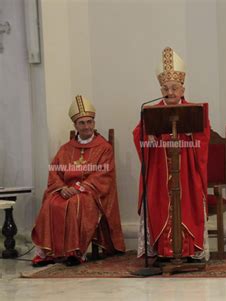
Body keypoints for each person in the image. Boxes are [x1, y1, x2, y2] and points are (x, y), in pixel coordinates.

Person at [133, 47, 210, 264]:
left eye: (175, 87)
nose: (170, 92)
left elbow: (203, 136)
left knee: (187, 203)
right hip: (159, 171)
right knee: (158, 202)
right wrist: (146, 139)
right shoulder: (150, 111)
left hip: (186, 169)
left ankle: (188, 250)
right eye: (166, 88)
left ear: (183, 88)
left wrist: (190, 133)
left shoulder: (193, 110)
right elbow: (138, 132)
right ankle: (163, 251)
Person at [31, 95, 125, 267]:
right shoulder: (66, 149)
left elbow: (104, 175)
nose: (86, 126)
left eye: (89, 122)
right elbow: (54, 171)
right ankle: (49, 253)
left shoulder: (104, 148)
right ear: (75, 125)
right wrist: (61, 188)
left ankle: (74, 252)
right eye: (82, 123)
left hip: (89, 191)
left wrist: (79, 187)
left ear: (94, 123)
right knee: (50, 203)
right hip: (65, 189)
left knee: (75, 203)